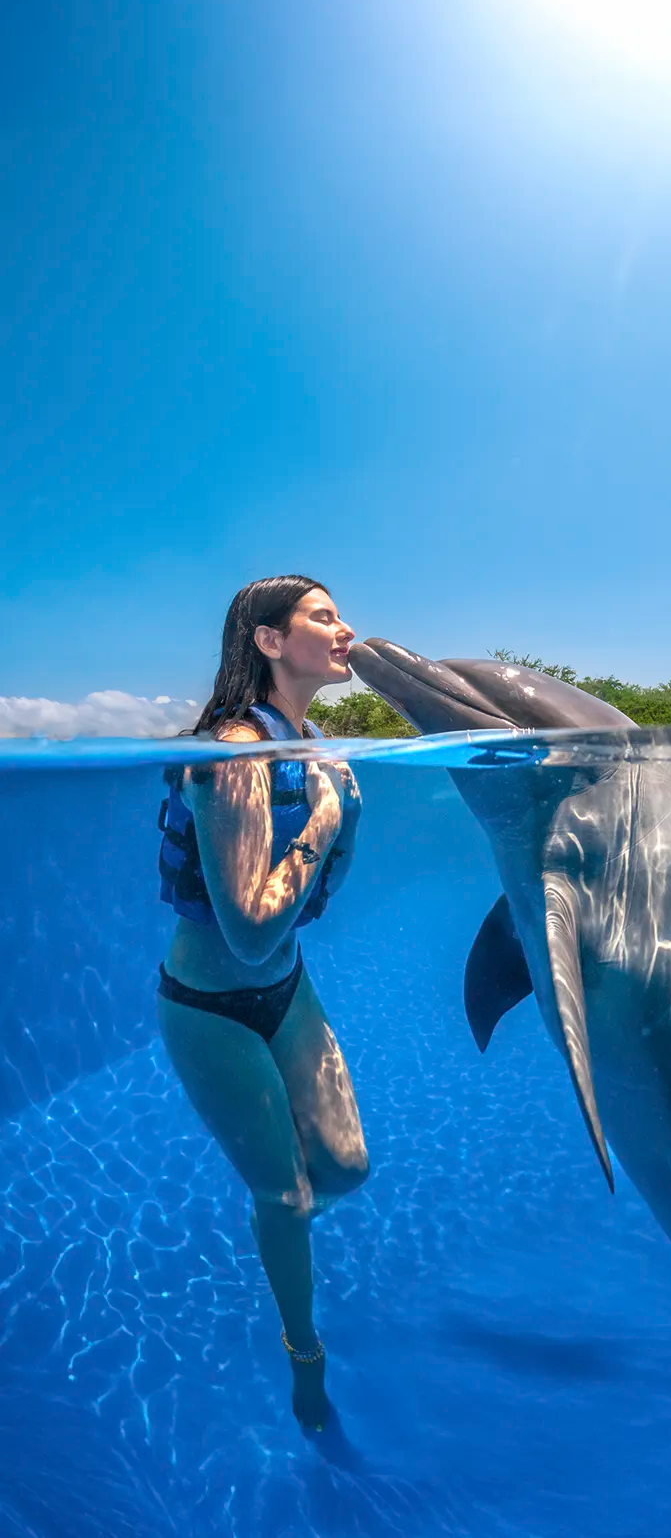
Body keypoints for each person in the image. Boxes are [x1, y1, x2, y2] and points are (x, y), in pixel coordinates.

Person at [156, 575, 367, 1431]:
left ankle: (267, 1187)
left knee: (345, 1169)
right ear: (271, 642)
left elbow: (316, 901)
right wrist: (322, 817)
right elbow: (245, 933)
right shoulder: (237, 752)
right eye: (324, 616)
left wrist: (338, 813)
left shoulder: (310, 739)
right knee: (288, 1200)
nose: (345, 627)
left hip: (285, 986)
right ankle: (303, 1355)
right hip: (210, 1005)